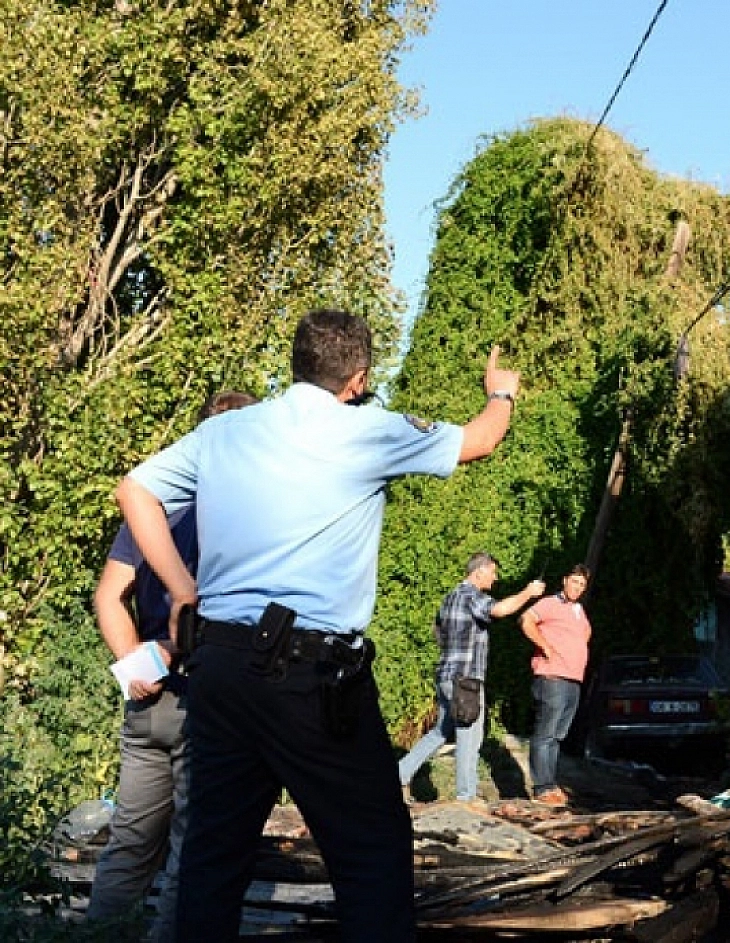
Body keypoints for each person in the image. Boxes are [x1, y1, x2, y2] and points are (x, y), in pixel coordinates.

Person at [115, 308, 521, 942]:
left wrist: (183, 589)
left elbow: (134, 491)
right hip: (311, 677)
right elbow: (480, 440)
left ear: (297, 362)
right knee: (372, 854)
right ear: (357, 378)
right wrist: (500, 393)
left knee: (211, 861)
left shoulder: (227, 432)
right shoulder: (368, 431)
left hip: (219, 669)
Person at [86, 391, 256, 941]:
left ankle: (96, 936)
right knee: (195, 847)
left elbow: (109, 595)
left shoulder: (154, 505)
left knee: (131, 841)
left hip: (147, 699)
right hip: (207, 696)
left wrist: (135, 662)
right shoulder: (239, 514)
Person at [397, 552, 544, 803]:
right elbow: (499, 610)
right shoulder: (472, 596)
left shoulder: (450, 597)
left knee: (442, 731)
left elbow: (438, 632)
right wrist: (528, 593)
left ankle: (399, 775)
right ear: (479, 572)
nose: (495, 579)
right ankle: (467, 796)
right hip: (466, 680)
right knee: (470, 735)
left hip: (447, 675)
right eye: (493, 572)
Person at [520, 564, 592, 806]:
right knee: (546, 733)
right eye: (574, 582)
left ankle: (551, 783)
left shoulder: (579, 611)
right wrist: (546, 647)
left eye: (582, 585)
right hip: (552, 677)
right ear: (564, 581)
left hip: (572, 680)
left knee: (558, 736)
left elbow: (585, 635)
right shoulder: (551, 603)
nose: (577, 588)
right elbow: (526, 620)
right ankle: (542, 787)